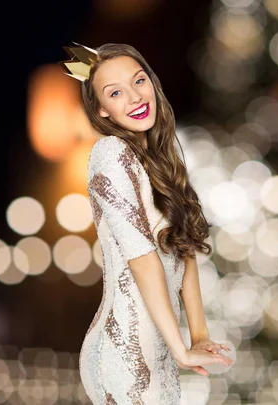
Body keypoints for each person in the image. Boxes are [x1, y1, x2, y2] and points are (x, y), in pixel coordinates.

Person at [60, 42, 233, 404]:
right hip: (122, 352)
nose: (135, 97)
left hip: (160, 350)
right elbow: (142, 258)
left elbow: (183, 252)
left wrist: (199, 334)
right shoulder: (110, 154)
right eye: (115, 93)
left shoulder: (159, 162)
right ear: (102, 111)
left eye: (139, 81)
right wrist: (183, 350)